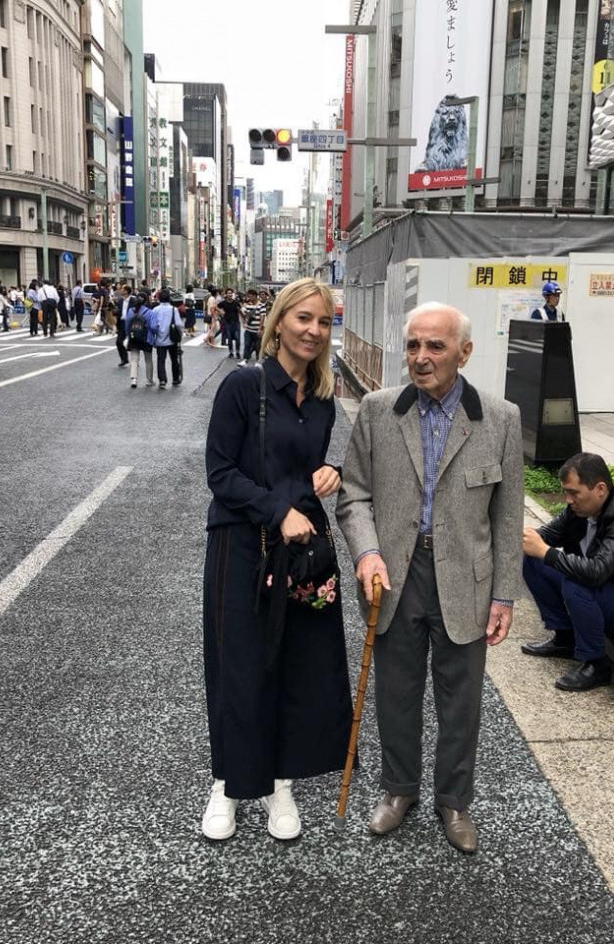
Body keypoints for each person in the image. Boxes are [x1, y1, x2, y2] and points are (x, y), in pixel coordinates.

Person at [335, 301, 523, 853]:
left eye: (435, 346)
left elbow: (507, 515)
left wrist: (505, 595)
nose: (421, 357)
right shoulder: (378, 410)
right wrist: (367, 552)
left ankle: (454, 799)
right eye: (413, 345)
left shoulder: (500, 418)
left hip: (466, 576)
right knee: (396, 690)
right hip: (395, 571)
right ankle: (399, 789)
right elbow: (353, 494)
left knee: (460, 699)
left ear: (464, 352)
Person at [201, 277, 353, 842]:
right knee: (239, 665)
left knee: (296, 664)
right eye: (303, 318)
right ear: (279, 321)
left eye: (323, 321)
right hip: (240, 546)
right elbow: (220, 474)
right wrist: (276, 509)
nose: (313, 331)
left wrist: (330, 473)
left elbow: (305, 470)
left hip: (300, 552)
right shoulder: (243, 386)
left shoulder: (323, 399)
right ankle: (227, 782)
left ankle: (280, 783)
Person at [522, 452, 614, 691]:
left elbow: (596, 572)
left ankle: (596, 664)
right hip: (608, 590)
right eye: (566, 492)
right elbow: (545, 537)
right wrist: (523, 538)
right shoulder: (578, 510)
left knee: (575, 582)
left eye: (574, 493)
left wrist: (546, 551)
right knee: (532, 558)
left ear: (600, 489)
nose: (568, 499)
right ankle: (565, 638)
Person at [148, 287, 183, 388]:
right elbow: (179, 324)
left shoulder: (155, 310)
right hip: (172, 338)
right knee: (174, 359)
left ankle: (162, 380)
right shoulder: (173, 309)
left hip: (159, 339)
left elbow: (152, 326)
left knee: (161, 360)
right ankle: (175, 379)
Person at [125, 294, 154, 388]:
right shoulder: (149, 312)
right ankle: (149, 380)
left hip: (134, 337)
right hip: (145, 337)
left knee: (134, 359)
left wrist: (128, 335)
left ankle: (134, 379)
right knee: (148, 359)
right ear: (146, 301)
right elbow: (152, 326)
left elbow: (127, 325)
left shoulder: (131, 310)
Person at [238, 288, 265, 366]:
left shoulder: (261, 306)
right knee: (247, 345)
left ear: (255, 296)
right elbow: (244, 315)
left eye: (250, 296)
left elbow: (262, 317)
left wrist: (260, 329)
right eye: (248, 296)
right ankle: (245, 360)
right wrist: (243, 320)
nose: (249, 298)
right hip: (249, 329)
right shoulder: (248, 305)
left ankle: (258, 361)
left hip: (257, 330)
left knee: (257, 346)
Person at [217, 287, 242, 358]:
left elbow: (240, 311)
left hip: (236, 322)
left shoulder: (236, 303)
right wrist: (220, 311)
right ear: (226, 294)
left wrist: (243, 320)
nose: (230, 294)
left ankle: (237, 352)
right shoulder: (223, 303)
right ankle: (231, 352)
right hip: (227, 322)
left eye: (231, 293)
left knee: (237, 337)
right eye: (228, 293)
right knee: (229, 338)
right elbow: (216, 307)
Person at [115, 285, 132, 368]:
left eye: (122, 289)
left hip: (131, 323)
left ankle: (135, 359)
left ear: (126, 291)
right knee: (119, 342)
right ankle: (124, 359)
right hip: (122, 323)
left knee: (133, 342)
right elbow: (118, 311)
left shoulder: (133, 300)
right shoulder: (120, 301)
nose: (121, 290)